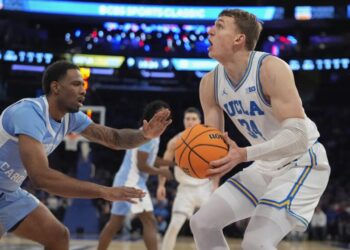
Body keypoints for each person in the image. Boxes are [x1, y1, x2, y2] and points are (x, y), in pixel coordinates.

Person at [189, 9, 331, 250]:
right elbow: (213, 146)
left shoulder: (270, 68)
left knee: (256, 242)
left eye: (220, 26)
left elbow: (299, 137)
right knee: (202, 223)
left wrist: (243, 154)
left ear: (239, 39)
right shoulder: (209, 83)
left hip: (301, 163)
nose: (210, 31)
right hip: (264, 166)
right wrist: (198, 161)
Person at [0, 61, 171, 250]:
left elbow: (114, 138)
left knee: (58, 236)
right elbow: (41, 178)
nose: (83, 90)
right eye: (76, 84)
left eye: (83, 85)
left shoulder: (71, 118)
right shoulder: (29, 113)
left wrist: (144, 135)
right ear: (55, 87)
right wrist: (105, 192)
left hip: (8, 193)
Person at [97, 100, 174, 250]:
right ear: (152, 116)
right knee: (149, 221)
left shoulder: (153, 135)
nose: (164, 117)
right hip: (131, 181)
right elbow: (142, 165)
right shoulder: (148, 135)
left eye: (167, 115)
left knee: (114, 224)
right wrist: (161, 171)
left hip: (124, 179)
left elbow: (151, 159)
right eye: (161, 114)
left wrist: (173, 164)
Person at [157, 107, 217, 250]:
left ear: (199, 121)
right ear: (184, 121)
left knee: (208, 230)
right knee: (174, 226)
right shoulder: (175, 142)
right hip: (185, 190)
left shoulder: (209, 139)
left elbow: (218, 163)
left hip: (205, 188)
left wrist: (215, 185)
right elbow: (164, 165)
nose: (190, 122)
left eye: (193, 119)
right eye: (187, 119)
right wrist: (161, 185)